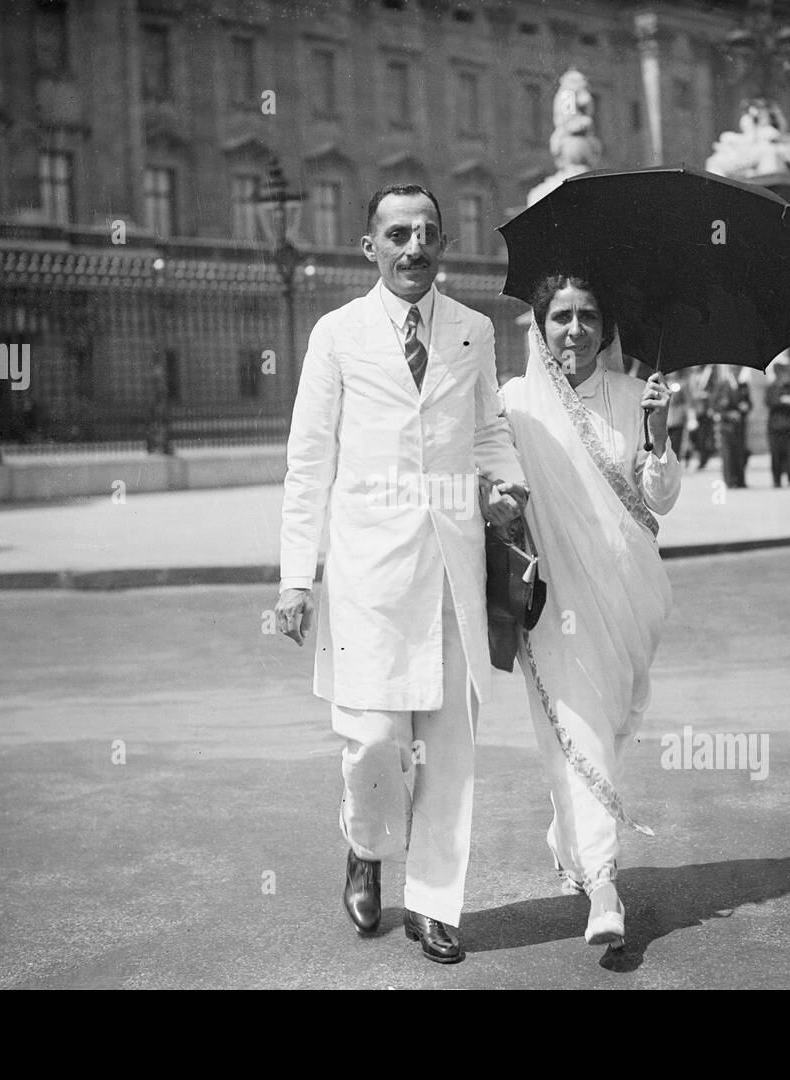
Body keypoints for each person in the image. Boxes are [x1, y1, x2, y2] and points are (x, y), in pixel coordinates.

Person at [276, 184, 527, 965]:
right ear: (370, 247)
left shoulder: (474, 331)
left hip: (453, 566)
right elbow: (309, 460)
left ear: (442, 243)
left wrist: (507, 480)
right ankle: (366, 845)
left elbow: (488, 430)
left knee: (450, 746)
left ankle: (435, 903)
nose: (413, 247)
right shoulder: (337, 333)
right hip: (369, 575)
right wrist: (296, 578)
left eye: (426, 233)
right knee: (375, 742)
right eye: (397, 235)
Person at [499, 274, 681, 948]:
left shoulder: (638, 396)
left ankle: (568, 831)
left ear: (605, 329)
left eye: (588, 317)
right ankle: (604, 887)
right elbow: (491, 484)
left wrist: (658, 433)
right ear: (540, 328)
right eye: (561, 318)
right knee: (575, 727)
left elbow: (658, 500)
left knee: (607, 728)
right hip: (554, 602)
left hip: (628, 596)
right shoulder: (512, 403)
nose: (575, 330)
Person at [712, 364, 751, 488]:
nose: (736, 371)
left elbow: (749, 403)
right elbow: (715, 405)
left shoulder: (743, 385)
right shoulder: (723, 385)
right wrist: (728, 414)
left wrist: (746, 408)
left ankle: (740, 480)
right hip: (726, 425)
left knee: (740, 453)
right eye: (734, 369)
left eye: (738, 369)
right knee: (728, 455)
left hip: (740, 425)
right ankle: (729, 481)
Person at [764, 356, 790, 487]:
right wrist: (782, 401)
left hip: (788, 424)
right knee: (776, 454)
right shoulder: (771, 387)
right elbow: (769, 402)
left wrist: (785, 401)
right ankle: (776, 479)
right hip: (775, 426)